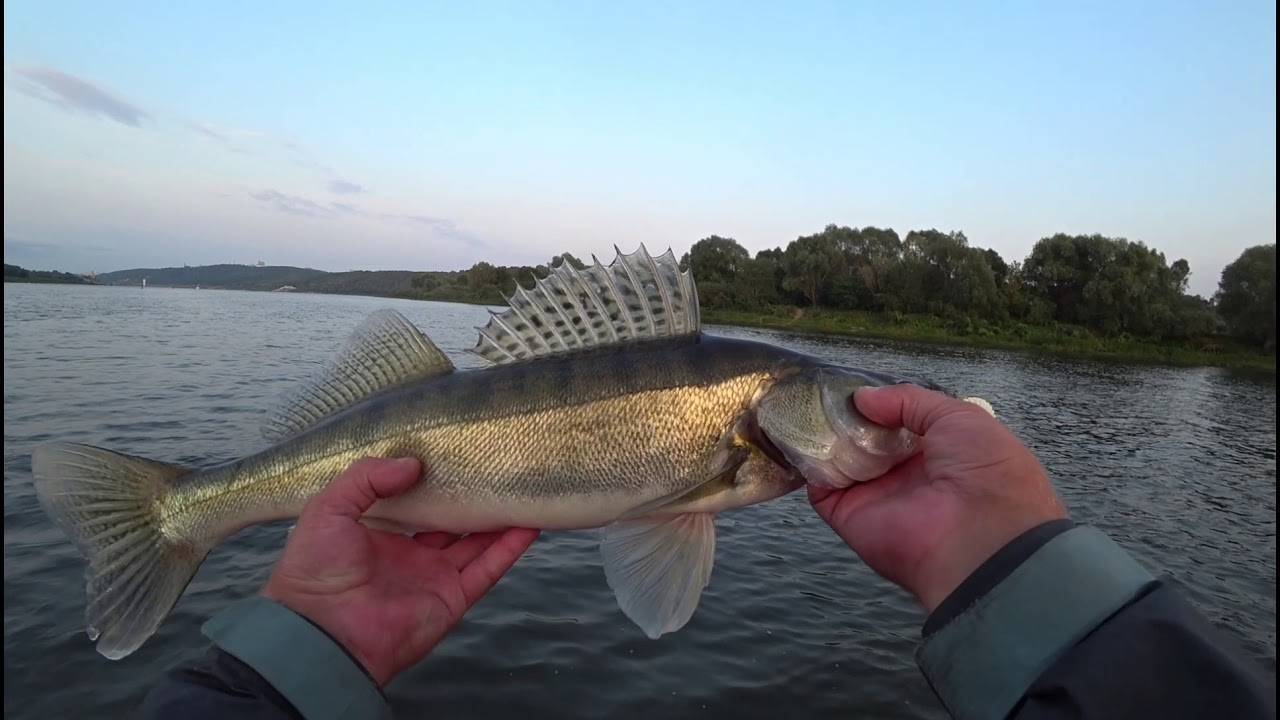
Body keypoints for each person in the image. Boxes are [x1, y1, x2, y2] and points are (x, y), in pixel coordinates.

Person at [141, 385, 1274, 720]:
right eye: (852, 407)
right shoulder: (735, 439)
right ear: (779, 408)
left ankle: (188, 517)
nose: (875, 427)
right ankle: (175, 513)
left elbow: (666, 542)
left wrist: (292, 664)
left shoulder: (746, 457)